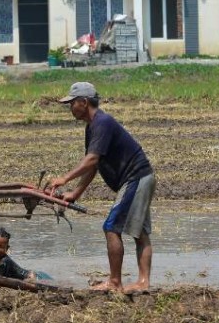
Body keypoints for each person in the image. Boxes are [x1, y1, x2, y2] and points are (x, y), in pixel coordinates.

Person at [50, 81, 155, 293]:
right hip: (140, 177)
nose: (70, 108)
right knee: (140, 233)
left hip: (135, 177)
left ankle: (115, 282)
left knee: (111, 227)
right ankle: (143, 282)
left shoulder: (102, 123)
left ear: (84, 102)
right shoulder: (93, 127)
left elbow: (91, 160)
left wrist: (64, 179)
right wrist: (76, 193)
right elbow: (95, 164)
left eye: (72, 103)